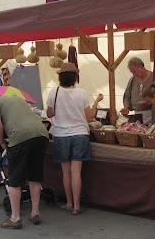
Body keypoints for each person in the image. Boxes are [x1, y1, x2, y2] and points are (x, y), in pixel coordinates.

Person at [46, 63, 102, 215]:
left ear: (60, 77)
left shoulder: (54, 92)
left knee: (66, 172)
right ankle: (77, 206)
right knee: (76, 172)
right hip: (80, 134)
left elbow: (49, 113)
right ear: (75, 77)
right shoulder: (82, 93)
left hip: (61, 135)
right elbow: (90, 116)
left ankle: (69, 203)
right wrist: (95, 103)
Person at [0, 95, 49, 229]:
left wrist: (2, 142)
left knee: (14, 179)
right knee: (35, 176)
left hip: (20, 137)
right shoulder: (19, 99)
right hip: (42, 134)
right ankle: (35, 213)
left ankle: (15, 218)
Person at [121, 57, 155, 125]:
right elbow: (127, 96)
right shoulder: (132, 80)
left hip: (153, 114)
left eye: (134, 71)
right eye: (132, 72)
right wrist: (126, 107)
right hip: (137, 115)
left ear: (141, 67)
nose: (133, 74)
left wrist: (150, 102)